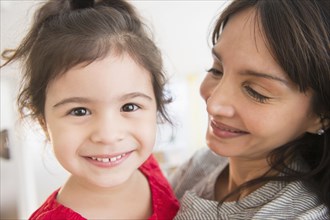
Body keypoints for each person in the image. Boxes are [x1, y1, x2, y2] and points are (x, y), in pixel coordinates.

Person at [1, 0, 179, 219]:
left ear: (156, 106)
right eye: (79, 111)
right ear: (43, 122)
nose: (108, 135)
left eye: (129, 106)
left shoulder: (147, 167)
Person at [170, 0, 330, 219]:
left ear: (322, 115)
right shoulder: (204, 162)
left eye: (256, 91)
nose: (213, 104)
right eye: (216, 70)